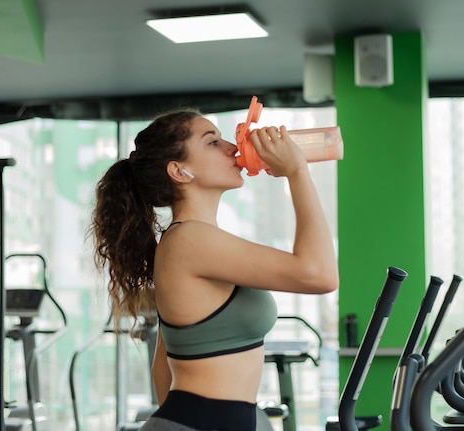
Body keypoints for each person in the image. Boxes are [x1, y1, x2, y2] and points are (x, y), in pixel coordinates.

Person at [90, 108, 339, 431]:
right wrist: (297, 172)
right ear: (180, 171)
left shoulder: (188, 240)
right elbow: (319, 274)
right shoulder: (190, 240)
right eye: (213, 142)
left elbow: (164, 367)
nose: (233, 148)